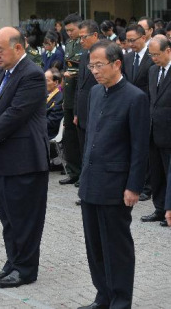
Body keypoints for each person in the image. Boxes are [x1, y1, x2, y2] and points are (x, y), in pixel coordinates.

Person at [0, 27, 49, 288]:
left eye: (0, 50)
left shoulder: (32, 75)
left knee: (24, 218)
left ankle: (25, 269)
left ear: (18, 47)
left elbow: (16, 114)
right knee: (9, 218)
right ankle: (13, 261)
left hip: (23, 160)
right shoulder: (1, 73)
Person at [77, 39, 149, 309]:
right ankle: (103, 296)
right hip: (90, 183)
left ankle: (120, 300)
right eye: (91, 65)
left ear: (117, 64)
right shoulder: (96, 93)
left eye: (99, 65)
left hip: (116, 185)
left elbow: (139, 148)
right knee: (94, 246)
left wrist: (133, 187)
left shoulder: (135, 98)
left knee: (116, 248)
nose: (94, 70)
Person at [123, 25, 154, 203]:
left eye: (133, 40)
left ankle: (147, 187)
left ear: (143, 38)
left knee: (146, 148)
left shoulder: (152, 58)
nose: (130, 44)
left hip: (148, 108)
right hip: (130, 109)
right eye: (128, 41)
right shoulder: (127, 58)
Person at [145, 36, 171, 226]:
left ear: (168, 51)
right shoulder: (153, 71)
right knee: (157, 173)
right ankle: (159, 208)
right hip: (153, 131)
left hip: (168, 132)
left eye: (156, 54)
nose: (153, 58)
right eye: (151, 55)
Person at [59, 13, 83, 186]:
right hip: (68, 95)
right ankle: (73, 171)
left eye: (72, 30)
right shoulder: (68, 44)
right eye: (66, 30)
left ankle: (83, 174)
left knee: (80, 136)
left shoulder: (85, 44)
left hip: (79, 94)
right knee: (69, 137)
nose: (69, 33)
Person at [74, 20, 100, 171]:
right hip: (83, 111)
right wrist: (77, 111)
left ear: (95, 35)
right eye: (80, 38)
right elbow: (80, 85)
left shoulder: (106, 53)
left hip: (98, 108)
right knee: (84, 148)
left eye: (84, 37)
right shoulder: (84, 56)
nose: (81, 41)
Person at [45, 68, 64, 140]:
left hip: (47, 133)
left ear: (56, 82)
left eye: (46, 80)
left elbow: (52, 123)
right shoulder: (43, 94)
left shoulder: (60, 99)